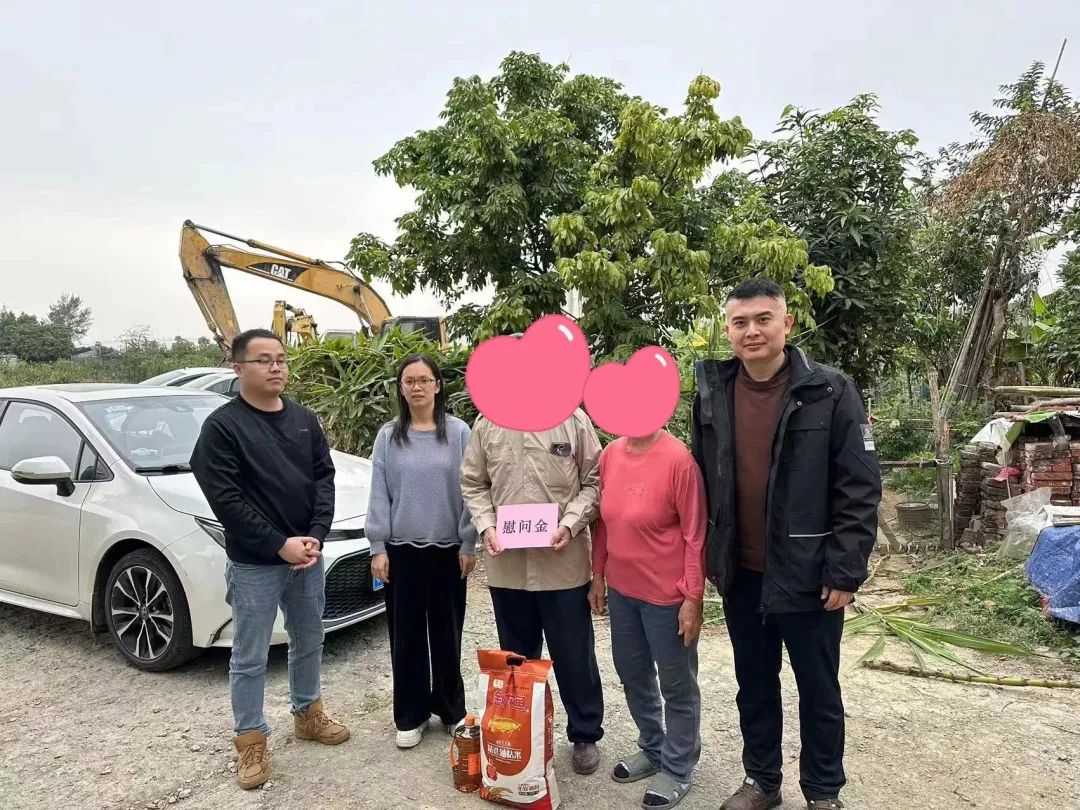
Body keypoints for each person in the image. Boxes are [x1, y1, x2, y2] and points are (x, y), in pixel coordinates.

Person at [691, 278, 880, 810]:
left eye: (763, 319)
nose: (752, 331)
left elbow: (860, 487)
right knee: (754, 683)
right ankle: (762, 782)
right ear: (728, 330)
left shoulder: (830, 391)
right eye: (740, 322)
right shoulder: (711, 393)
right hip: (742, 572)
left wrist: (844, 569)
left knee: (818, 687)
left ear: (786, 323)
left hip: (809, 573)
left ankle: (823, 791)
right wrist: (710, 555)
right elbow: (702, 478)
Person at [190, 328, 349, 791]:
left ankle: (308, 713)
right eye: (264, 360)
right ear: (238, 368)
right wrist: (279, 543)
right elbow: (227, 501)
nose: (276, 367)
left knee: (309, 638)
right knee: (250, 654)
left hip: (307, 558)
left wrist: (316, 534)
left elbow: (323, 478)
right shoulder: (223, 428)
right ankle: (251, 739)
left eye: (281, 358)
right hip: (255, 564)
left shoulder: (304, 419)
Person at [459, 408, 605, 775]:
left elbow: (595, 480)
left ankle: (584, 733)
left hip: (563, 566)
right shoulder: (487, 423)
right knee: (517, 662)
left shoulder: (573, 420)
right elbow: (473, 482)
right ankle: (524, 734)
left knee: (574, 656)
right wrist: (487, 526)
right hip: (508, 569)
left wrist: (570, 523)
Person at [588, 426, 707, 810]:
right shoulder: (611, 455)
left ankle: (678, 766)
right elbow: (603, 523)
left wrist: (693, 597)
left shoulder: (678, 461)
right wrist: (598, 575)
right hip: (623, 592)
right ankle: (653, 747)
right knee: (633, 674)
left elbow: (695, 535)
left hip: (667, 596)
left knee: (677, 684)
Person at [365, 353, 477, 749]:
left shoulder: (459, 432)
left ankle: (450, 709)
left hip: (449, 551)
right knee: (407, 636)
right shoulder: (388, 436)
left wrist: (468, 541)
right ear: (400, 388)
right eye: (409, 380)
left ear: (437, 385)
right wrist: (377, 546)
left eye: (424, 380)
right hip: (401, 553)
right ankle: (410, 715)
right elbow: (379, 492)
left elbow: (472, 489)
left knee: (448, 633)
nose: (417, 387)